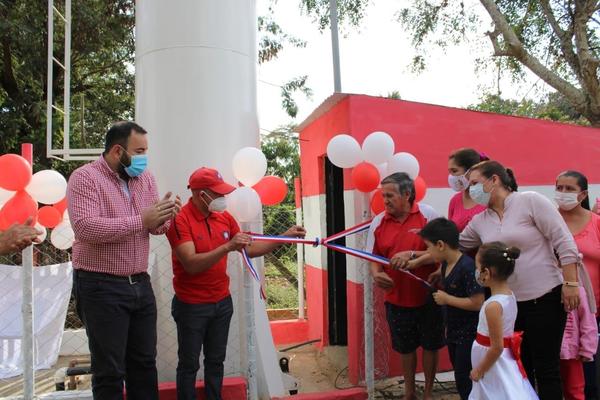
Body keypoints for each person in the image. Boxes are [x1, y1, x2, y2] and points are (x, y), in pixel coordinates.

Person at [166, 167, 305, 400]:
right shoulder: (180, 220)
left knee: (215, 361)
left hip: (221, 303)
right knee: (189, 365)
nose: (223, 198)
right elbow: (191, 264)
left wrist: (285, 236)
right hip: (191, 306)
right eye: (218, 193)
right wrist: (227, 247)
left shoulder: (224, 217)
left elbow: (249, 249)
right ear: (202, 195)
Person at [68, 121, 181, 400]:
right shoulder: (85, 178)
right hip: (100, 285)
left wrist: (165, 216)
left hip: (140, 285)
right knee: (109, 372)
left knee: (144, 364)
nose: (144, 157)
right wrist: (142, 219)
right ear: (118, 151)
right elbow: (86, 228)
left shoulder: (146, 179)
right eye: (139, 150)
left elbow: (154, 228)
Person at [460, 160, 580, 400]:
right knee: (518, 370)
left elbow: (564, 242)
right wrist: (416, 255)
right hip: (509, 307)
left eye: (474, 183)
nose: (470, 190)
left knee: (547, 370)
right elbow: (456, 246)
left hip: (546, 298)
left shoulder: (530, 201)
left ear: (494, 180)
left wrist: (571, 284)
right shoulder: (479, 221)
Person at [366, 172, 444, 400]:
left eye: (390, 195)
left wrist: (420, 259)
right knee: (406, 348)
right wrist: (377, 275)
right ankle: (409, 393)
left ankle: (428, 392)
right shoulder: (378, 221)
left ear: (407, 194)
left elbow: (443, 251)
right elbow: (374, 258)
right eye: (383, 196)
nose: (385, 201)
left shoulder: (428, 215)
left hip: (429, 296)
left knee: (431, 345)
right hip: (396, 297)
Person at [419, 217, 484, 400]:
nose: (427, 252)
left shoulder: (467, 267)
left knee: (466, 378)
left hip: (469, 334)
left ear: (440, 245)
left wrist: (447, 299)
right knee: (460, 375)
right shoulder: (446, 264)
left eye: (428, 247)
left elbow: (477, 302)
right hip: (454, 332)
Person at [469, 242, 538, 399]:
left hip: (493, 364)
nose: (476, 272)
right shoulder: (509, 295)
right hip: (499, 359)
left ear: (486, 272)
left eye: (477, 268)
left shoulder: (493, 306)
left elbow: (497, 346)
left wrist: (480, 369)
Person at [555, 170, 600, 399]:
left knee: (592, 376)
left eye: (569, 189)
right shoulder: (549, 221)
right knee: (566, 376)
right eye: (559, 187)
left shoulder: (596, 223)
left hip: (594, 311)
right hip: (561, 310)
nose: (562, 193)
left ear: (582, 195)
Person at [559, 261, 597, 400]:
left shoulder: (577, 290)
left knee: (575, 390)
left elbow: (588, 320)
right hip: (551, 349)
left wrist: (587, 348)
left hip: (572, 352)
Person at [447, 148, 488, 232]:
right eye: (449, 172)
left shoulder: (490, 199)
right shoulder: (455, 200)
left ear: (471, 171)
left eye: (454, 171)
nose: (451, 176)